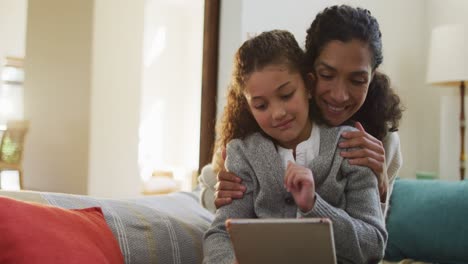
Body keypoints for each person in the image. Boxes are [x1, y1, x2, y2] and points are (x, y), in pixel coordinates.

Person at [199, 4, 403, 218]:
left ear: (371, 77)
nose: (339, 95)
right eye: (327, 75)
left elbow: (372, 235)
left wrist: (379, 185)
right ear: (309, 72)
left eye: (357, 80)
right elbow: (207, 193)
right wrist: (222, 193)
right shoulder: (257, 129)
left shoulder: (381, 140)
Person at [203, 29, 387, 264]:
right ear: (249, 107)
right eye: (261, 105)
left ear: (309, 86)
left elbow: (373, 245)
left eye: (287, 95)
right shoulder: (243, 154)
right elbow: (219, 234)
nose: (278, 113)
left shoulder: (351, 146)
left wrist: (314, 206)